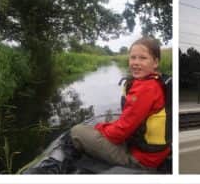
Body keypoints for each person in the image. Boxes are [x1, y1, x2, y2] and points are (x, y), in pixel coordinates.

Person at [70, 37, 170, 170]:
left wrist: (100, 128)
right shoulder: (156, 81)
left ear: (155, 62)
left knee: (77, 131)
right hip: (151, 152)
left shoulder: (146, 88)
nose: (135, 62)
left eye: (142, 58)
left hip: (142, 160)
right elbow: (129, 121)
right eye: (133, 58)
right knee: (110, 122)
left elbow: (119, 133)